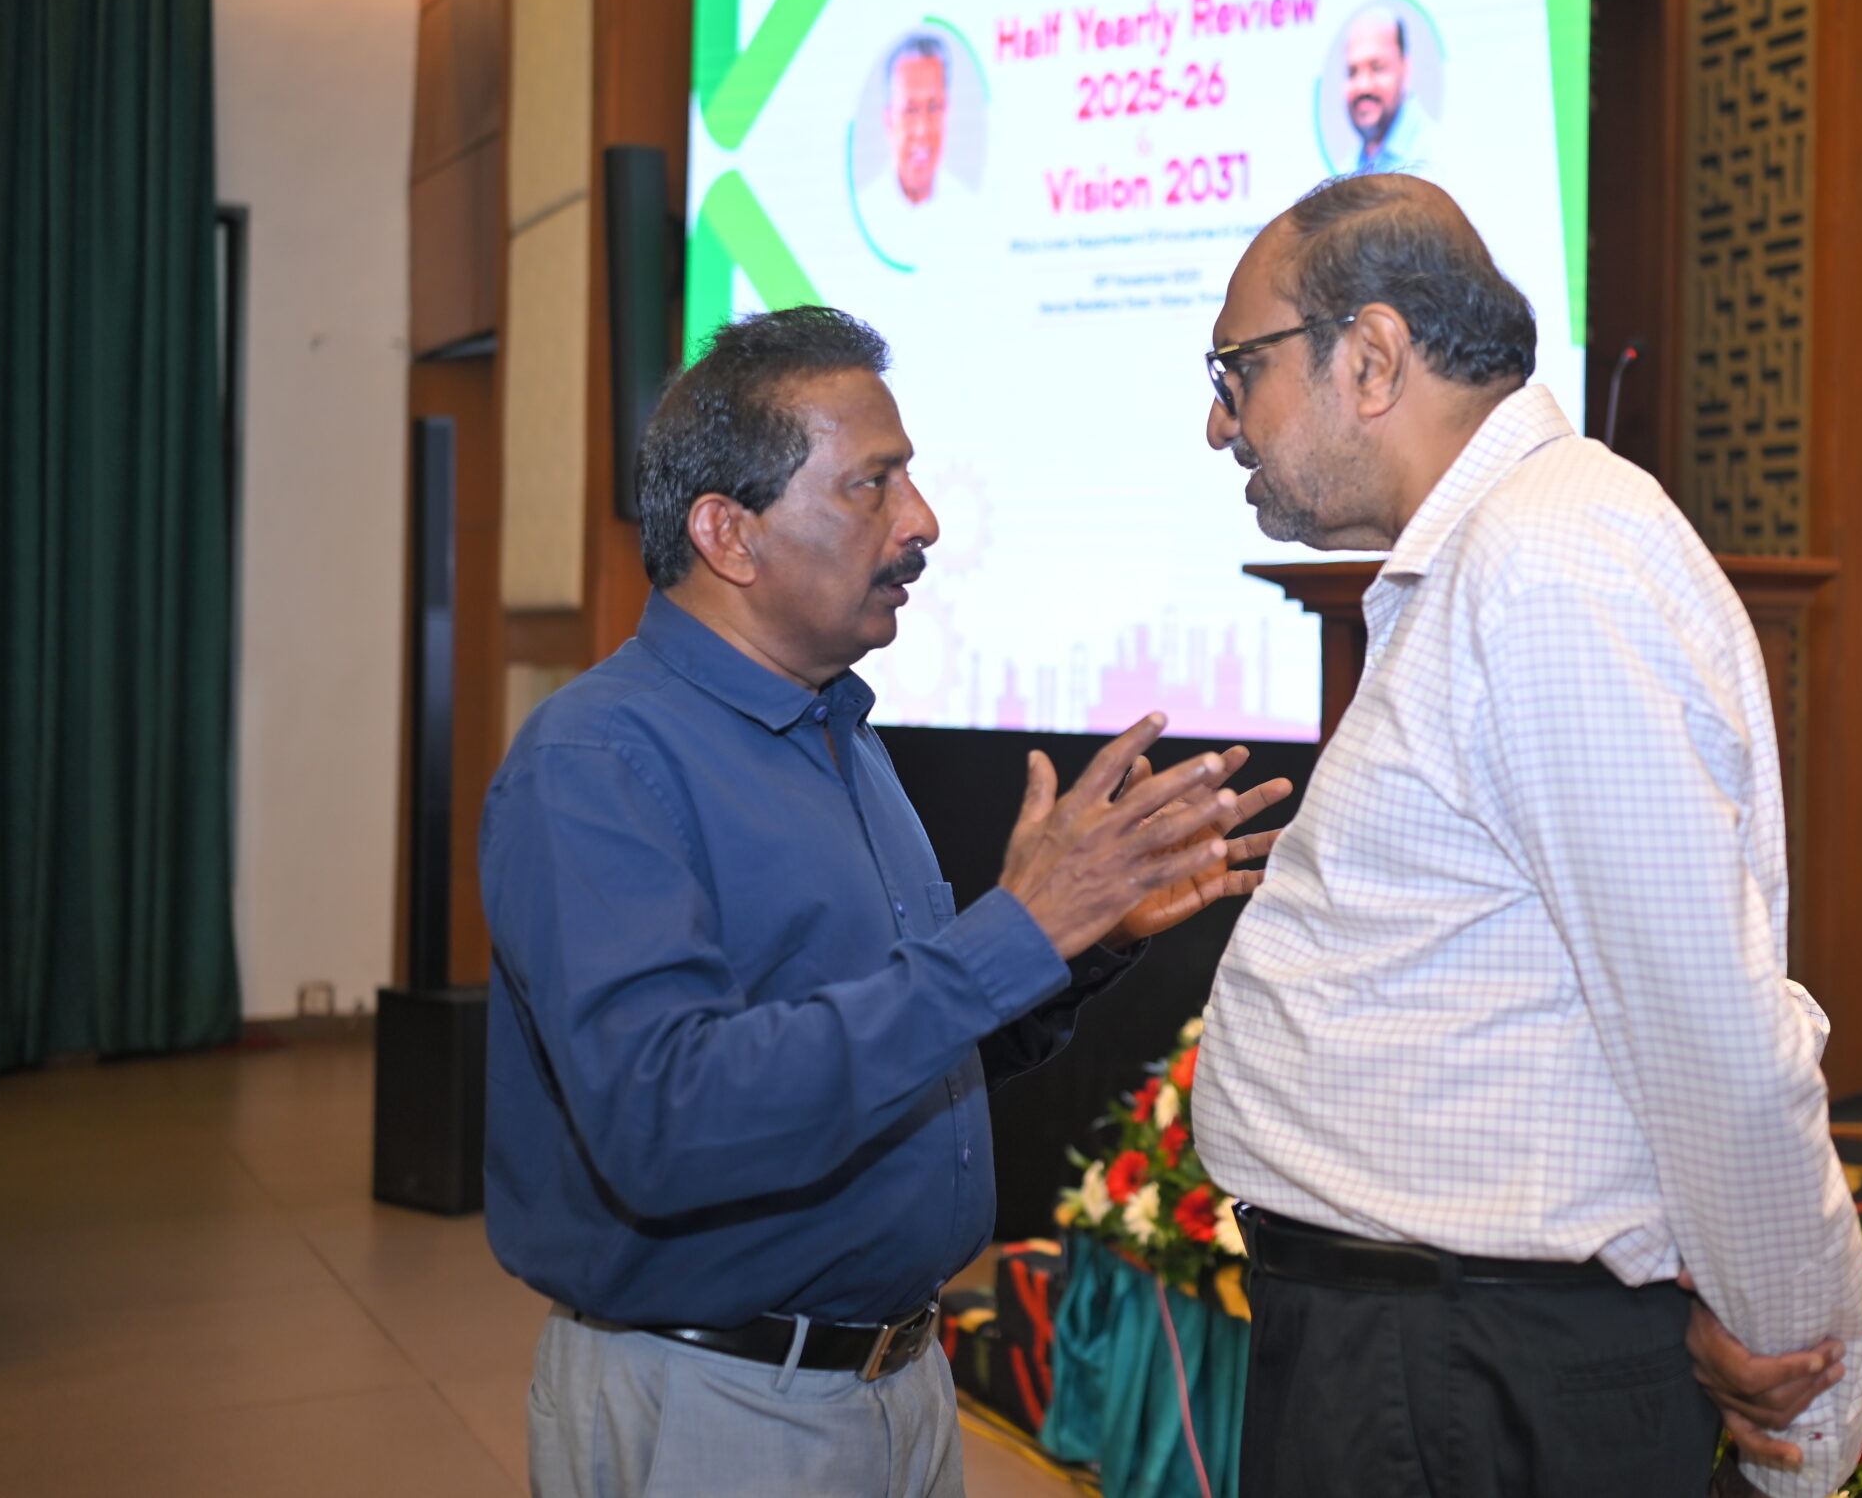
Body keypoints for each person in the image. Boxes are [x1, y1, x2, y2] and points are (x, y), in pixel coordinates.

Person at [480, 306, 1290, 1498]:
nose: (922, 521)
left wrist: (1079, 938)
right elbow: (666, 1119)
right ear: (727, 533)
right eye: (874, 483)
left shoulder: (836, 731)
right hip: (724, 1403)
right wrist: (1011, 932)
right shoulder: (597, 761)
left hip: (896, 1383)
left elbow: (903, 1048)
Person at [1189, 175, 1862, 1497]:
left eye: (1239, 369)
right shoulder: (1510, 551)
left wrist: (1786, 1350)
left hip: (1467, 1372)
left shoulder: (1547, 566)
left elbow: (1700, 1013)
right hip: (1439, 1349)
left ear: (1370, 356)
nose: (1221, 421)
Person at [856, 35, 958, 266]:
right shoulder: (867, 211)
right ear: (889, 120)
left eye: (934, 108)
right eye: (910, 111)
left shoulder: (969, 210)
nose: (922, 129)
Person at [1339, 5, 1434, 175]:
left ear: (1405, 68)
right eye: (1353, 72)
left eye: (1377, 68)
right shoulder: (1347, 170)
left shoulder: (1434, 160)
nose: (1363, 86)